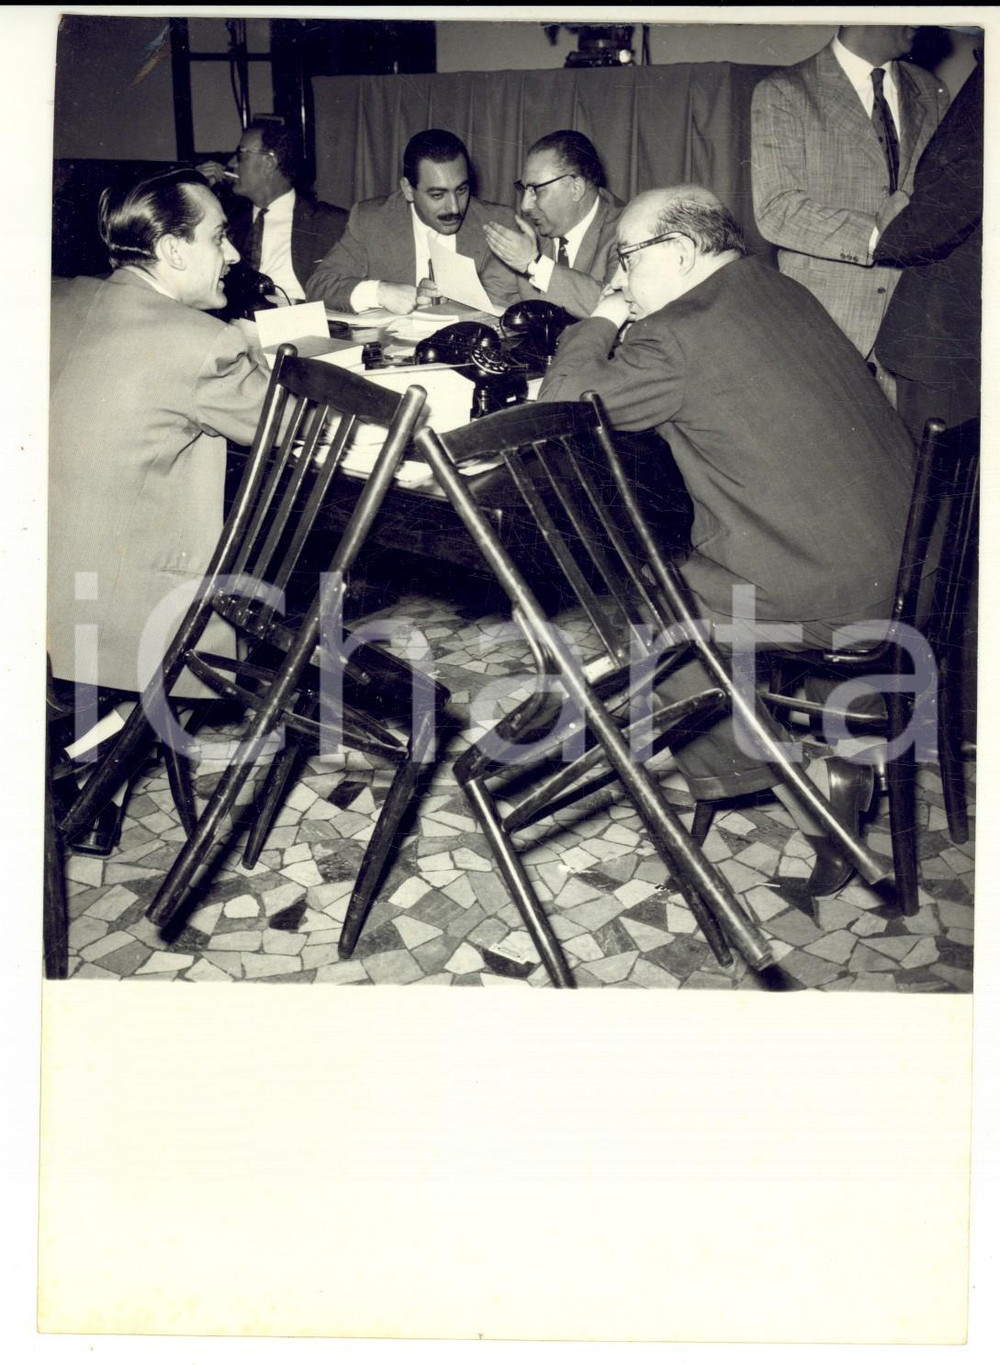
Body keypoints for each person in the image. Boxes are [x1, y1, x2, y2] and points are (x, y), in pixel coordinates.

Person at [539, 186, 920, 898]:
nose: (620, 275)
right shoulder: (780, 289)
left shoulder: (675, 334)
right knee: (721, 543)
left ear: (681, 252)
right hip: (913, 566)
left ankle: (795, 788)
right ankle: (851, 727)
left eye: (627, 259)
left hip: (833, 594)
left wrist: (605, 313)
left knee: (649, 603)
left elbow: (561, 405)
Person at [49, 169, 272, 701]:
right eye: (219, 237)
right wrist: (255, 346)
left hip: (35, 598)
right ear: (173, 250)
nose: (233, 255)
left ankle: (106, 736)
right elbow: (292, 422)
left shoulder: (59, 298)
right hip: (119, 622)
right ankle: (120, 724)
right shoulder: (205, 344)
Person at [751, 25, 948, 370]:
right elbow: (777, 210)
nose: (920, 19)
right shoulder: (784, 90)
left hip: (913, 331)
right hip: (825, 328)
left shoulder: (932, 90)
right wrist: (882, 236)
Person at [872, 47, 983, 441]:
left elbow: (956, 196)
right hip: (956, 336)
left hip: (944, 337)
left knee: (931, 466)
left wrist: (887, 230)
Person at [305, 129, 517, 314]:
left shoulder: (498, 222)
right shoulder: (371, 220)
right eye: (437, 195)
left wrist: (453, 304)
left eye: (461, 190)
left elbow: (505, 302)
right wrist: (380, 292)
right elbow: (318, 286)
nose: (454, 208)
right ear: (408, 190)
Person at [198, 117, 348, 304]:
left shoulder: (330, 222)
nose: (232, 163)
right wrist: (198, 187)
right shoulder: (226, 220)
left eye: (240, 155)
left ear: (269, 163)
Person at [481, 129, 622, 319]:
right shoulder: (534, 228)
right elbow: (489, 297)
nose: (525, 206)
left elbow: (615, 307)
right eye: (524, 189)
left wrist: (534, 264)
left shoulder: (627, 231)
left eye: (536, 190)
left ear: (576, 188)